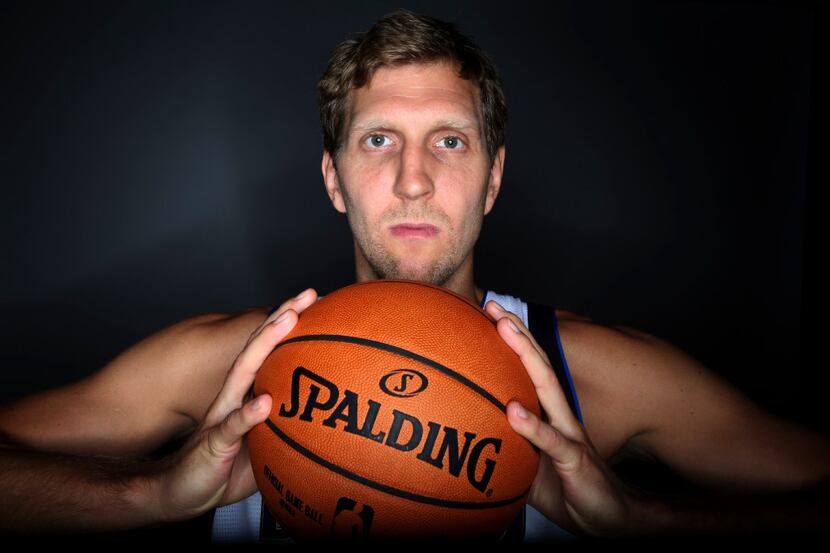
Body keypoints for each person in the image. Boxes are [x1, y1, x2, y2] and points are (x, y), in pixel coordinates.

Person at [1, 8, 829, 543]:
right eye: (377, 140)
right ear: (333, 179)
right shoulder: (232, 365)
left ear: (494, 178)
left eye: (450, 139)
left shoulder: (596, 377)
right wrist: (150, 494)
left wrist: (640, 517)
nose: (412, 179)